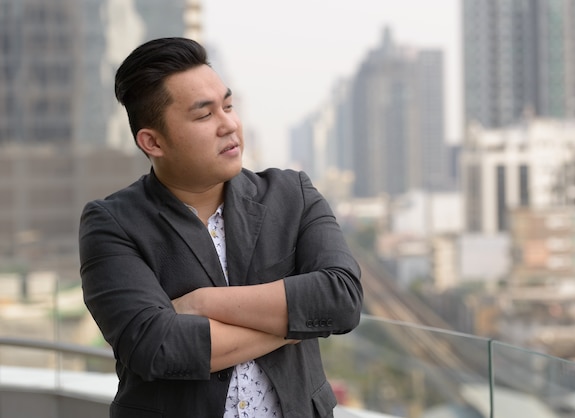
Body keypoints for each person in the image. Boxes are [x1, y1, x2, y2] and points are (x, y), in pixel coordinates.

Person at [79, 37, 363, 418]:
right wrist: (297, 322)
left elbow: (341, 298)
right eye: (204, 115)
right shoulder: (112, 223)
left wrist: (202, 304)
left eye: (228, 106)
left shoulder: (292, 195)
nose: (228, 124)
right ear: (153, 141)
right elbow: (156, 347)